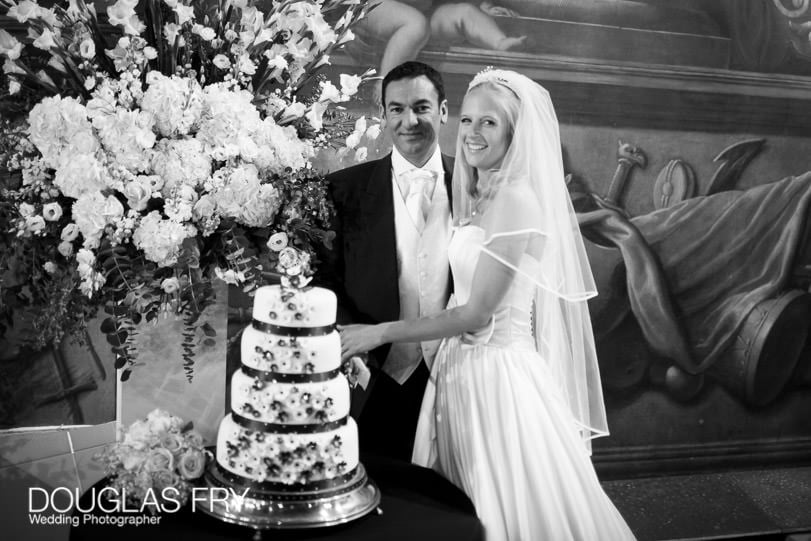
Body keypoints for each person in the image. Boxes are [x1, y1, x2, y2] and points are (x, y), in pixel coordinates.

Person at [339, 69, 636, 540]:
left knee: (501, 505)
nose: (474, 133)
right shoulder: (477, 190)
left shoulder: (517, 200)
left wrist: (378, 333)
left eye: (490, 123)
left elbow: (477, 313)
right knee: (448, 504)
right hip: (451, 374)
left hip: (495, 377)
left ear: (515, 133)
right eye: (470, 120)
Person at [323, 61, 455, 461]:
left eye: (421, 107)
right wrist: (356, 347)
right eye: (396, 109)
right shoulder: (342, 190)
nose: (408, 120)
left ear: (443, 111)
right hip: (370, 376)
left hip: (453, 376)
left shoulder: (478, 188)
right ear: (383, 115)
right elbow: (325, 281)